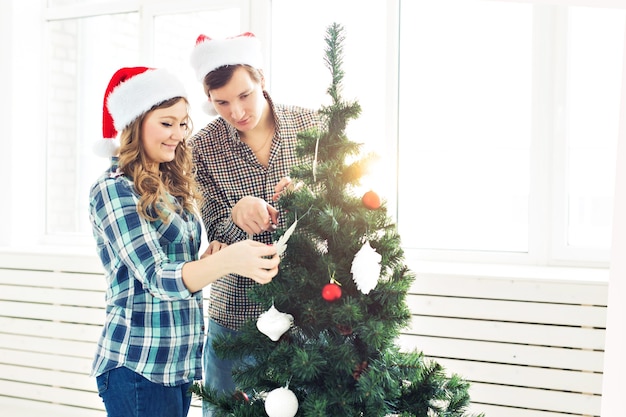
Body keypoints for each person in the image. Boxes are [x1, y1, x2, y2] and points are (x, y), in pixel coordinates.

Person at [89, 66, 280, 417]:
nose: (178, 134)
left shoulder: (168, 185)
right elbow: (158, 276)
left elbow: (179, 264)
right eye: (166, 123)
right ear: (135, 123)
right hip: (138, 364)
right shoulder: (114, 189)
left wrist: (211, 255)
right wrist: (227, 261)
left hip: (177, 364)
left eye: (182, 123)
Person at [188, 32, 321, 416]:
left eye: (244, 95)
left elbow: (345, 204)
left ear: (261, 78)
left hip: (309, 311)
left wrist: (310, 195)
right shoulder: (203, 147)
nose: (237, 111)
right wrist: (234, 216)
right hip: (235, 317)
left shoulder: (311, 125)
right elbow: (211, 228)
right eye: (222, 102)